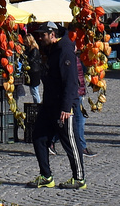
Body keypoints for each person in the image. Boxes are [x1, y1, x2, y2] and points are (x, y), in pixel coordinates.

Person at [30, 23, 84, 189]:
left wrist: (67, 107)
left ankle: (79, 178)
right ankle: (46, 176)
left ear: (52, 34)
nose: (40, 38)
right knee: (38, 136)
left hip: (63, 105)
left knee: (70, 141)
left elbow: (71, 82)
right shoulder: (51, 50)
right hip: (49, 104)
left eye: (43, 35)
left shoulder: (64, 50)